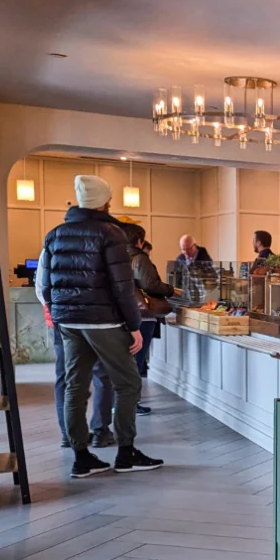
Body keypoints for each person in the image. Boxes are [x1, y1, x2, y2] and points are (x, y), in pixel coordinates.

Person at [41, 175, 163, 477]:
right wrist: (134, 325)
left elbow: (45, 284)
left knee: (75, 387)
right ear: (105, 201)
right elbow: (122, 288)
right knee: (128, 383)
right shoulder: (112, 234)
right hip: (104, 321)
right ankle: (125, 453)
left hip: (68, 322)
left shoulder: (55, 234)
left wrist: (59, 315)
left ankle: (81, 457)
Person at [35, 250, 115, 448]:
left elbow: (41, 288)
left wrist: (57, 309)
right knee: (102, 374)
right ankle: (100, 432)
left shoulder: (51, 244)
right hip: (97, 320)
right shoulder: (101, 240)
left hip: (62, 319)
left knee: (65, 376)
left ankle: (69, 434)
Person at [124, 224, 174, 415]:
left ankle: (121, 403)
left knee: (127, 361)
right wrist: (169, 289)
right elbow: (150, 285)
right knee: (136, 361)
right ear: (139, 241)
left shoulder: (117, 256)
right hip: (143, 316)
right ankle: (132, 404)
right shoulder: (140, 258)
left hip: (124, 314)